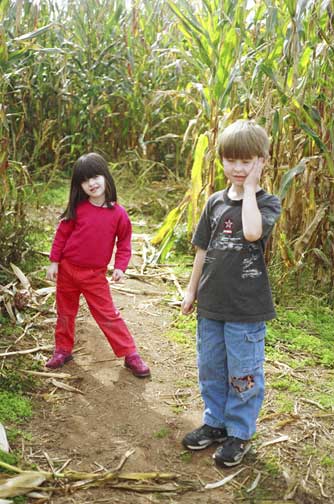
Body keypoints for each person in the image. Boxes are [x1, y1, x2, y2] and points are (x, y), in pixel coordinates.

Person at [181, 119, 281, 467]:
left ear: (262, 161)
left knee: (243, 373)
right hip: (211, 305)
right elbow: (202, 251)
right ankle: (216, 423)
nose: (238, 168)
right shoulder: (214, 202)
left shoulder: (267, 203)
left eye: (247, 161)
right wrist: (191, 291)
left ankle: (239, 432)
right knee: (210, 368)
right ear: (221, 160)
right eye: (231, 160)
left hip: (246, 308)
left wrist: (250, 190)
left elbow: (252, 233)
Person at [45, 152, 150, 378]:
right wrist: (54, 262)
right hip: (67, 270)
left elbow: (124, 243)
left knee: (107, 314)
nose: (91, 183)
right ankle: (63, 350)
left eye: (96, 176)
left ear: (106, 177)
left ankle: (130, 354)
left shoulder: (118, 214)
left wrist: (120, 267)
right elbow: (61, 236)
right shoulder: (77, 209)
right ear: (79, 185)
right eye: (85, 180)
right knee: (65, 312)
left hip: (94, 276)